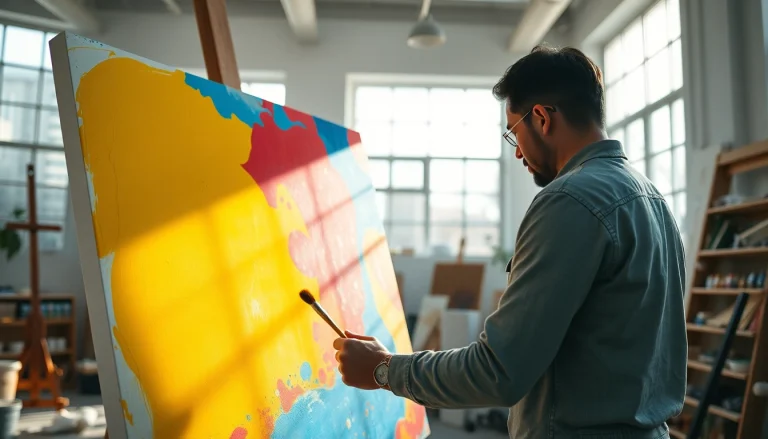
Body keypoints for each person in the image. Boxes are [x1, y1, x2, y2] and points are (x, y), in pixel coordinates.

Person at [333, 45, 687, 438]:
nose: (517, 150)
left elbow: (499, 370)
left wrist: (384, 369)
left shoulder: (568, 200)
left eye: (513, 132)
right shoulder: (654, 201)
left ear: (541, 118)